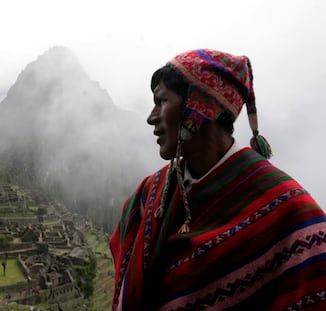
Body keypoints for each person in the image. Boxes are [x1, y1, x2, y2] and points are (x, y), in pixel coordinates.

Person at [110, 49, 326, 310]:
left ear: (199, 108)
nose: (151, 117)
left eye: (162, 101)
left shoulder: (290, 213)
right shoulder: (148, 197)